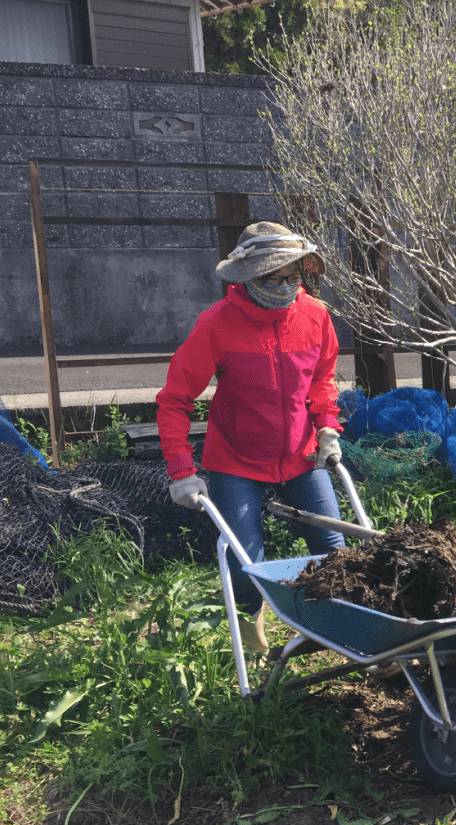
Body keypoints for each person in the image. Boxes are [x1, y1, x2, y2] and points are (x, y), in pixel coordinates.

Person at [156, 221, 345, 655]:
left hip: (300, 454)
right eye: (271, 277)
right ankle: (252, 638)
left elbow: (322, 381)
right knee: (247, 565)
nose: (283, 286)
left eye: (292, 276)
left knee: (334, 552)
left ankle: (336, 629)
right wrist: (182, 470)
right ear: (247, 277)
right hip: (236, 459)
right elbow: (175, 400)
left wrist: (328, 427)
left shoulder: (315, 316)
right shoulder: (217, 324)